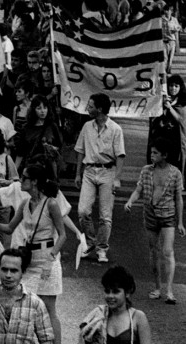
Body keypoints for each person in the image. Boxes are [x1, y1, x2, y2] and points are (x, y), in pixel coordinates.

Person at [0, 164, 67, 344]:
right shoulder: (25, 204)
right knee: (24, 305)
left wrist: (52, 257)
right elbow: (10, 228)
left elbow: (63, 235)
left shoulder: (51, 203)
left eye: (24, 178)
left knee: (49, 309)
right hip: (29, 261)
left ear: (34, 182)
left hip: (47, 260)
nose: (21, 181)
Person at [124, 139, 185, 304]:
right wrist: (130, 201)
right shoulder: (146, 171)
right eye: (151, 152)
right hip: (150, 214)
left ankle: (170, 291)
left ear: (164, 155)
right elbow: (139, 190)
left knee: (168, 251)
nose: (152, 156)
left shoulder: (175, 173)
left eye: (155, 153)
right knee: (154, 251)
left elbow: (178, 199)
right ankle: (157, 287)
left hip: (168, 215)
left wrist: (180, 222)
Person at [75, 93, 125, 263]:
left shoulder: (115, 129)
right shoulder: (86, 127)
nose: (87, 109)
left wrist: (117, 178)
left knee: (105, 215)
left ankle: (102, 248)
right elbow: (80, 150)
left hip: (107, 172)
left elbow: (120, 155)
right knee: (83, 211)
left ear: (100, 109)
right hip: (89, 171)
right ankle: (90, 242)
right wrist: (77, 173)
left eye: (90, 106)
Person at [0, 248, 55, 344]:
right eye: (4, 269)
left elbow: (46, 340)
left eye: (14, 271)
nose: (8, 275)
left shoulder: (35, 304)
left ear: (22, 273)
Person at [79, 266, 152, 344]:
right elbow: (82, 340)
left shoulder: (138, 317)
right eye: (107, 291)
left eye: (115, 292)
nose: (110, 296)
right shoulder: (98, 316)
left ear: (127, 293)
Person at [15, 95, 64, 174]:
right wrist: (14, 171)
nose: (43, 111)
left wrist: (51, 149)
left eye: (45, 108)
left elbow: (59, 146)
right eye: (39, 108)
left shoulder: (52, 126)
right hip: (31, 167)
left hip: (49, 169)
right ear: (33, 109)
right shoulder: (26, 128)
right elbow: (20, 152)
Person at [163, 74, 186, 179]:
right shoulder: (164, 99)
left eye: (176, 86)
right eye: (171, 85)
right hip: (165, 137)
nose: (173, 88)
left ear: (180, 87)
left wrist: (169, 108)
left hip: (178, 138)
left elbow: (181, 119)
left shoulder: (182, 102)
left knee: (178, 161)